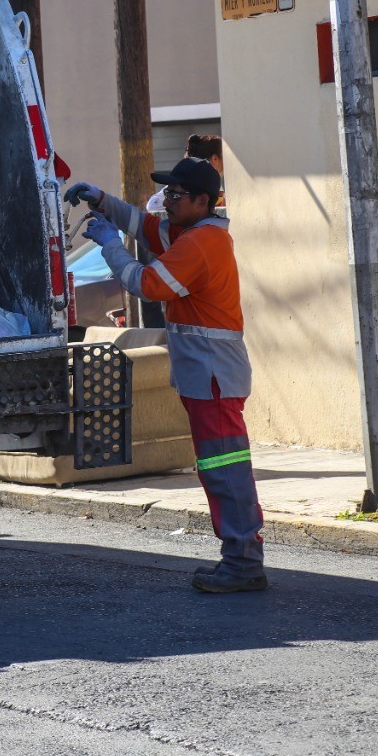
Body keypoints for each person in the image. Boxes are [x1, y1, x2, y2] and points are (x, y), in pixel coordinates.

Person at [64, 159, 266, 593]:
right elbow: (144, 225)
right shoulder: (193, 233)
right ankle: (241, 558)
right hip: (209, 370)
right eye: (167, 193)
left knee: (224, 468)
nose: (167, 202)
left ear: (201, 201)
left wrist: (108, 246)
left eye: (176, 195)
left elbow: (149, 284)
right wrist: (101, 200)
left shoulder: (199, 245)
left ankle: (244, 562)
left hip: (212, 373)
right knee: (219, 466)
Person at [147, 133, 226, 214]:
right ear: (215, 159)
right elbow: (153, 206)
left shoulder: (215, 185)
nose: (166, 202)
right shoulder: (185, 185)